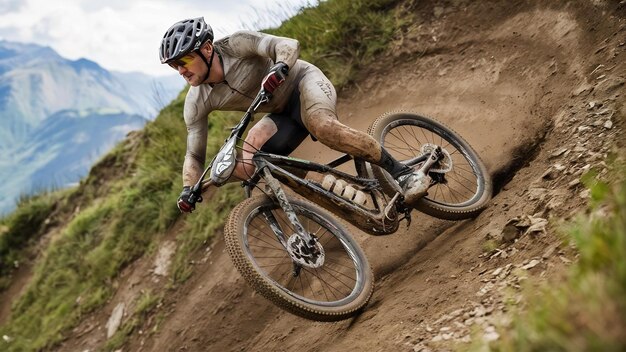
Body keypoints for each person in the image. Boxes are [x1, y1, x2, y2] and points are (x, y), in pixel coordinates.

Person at [158, 17, 430, 213]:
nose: (180, 70)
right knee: (250, 162)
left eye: (183, 61)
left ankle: (403, 172)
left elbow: (287, 44)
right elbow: (194, 154)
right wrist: (189, 189)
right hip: (279, 113)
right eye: (174, 66)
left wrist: (280, 67)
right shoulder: (196, 101)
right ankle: (326, 190)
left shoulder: (237, 45)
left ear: (206, 49)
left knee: (322, 126)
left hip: (302, 83)